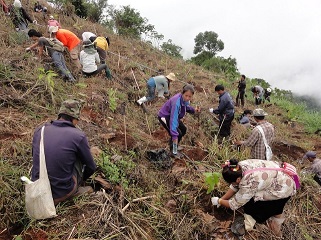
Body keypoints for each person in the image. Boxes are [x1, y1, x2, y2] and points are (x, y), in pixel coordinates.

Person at [31, 99, 96, 205]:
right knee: (79, 157)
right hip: (60, 193)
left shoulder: (40, 130)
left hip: (37, 190)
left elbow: (34, 155)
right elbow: (91, 167)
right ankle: (73, 189)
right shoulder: (78, 136)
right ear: (75, 118)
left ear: (60, 114)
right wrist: (82, 179)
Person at [211, 159, 297, 237]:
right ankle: (277, 213)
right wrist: (222, 199)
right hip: (279, 177)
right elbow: (235, 186)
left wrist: (219, 201)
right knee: (250, 199)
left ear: (237, 179)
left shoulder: (249, 182)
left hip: (283, 188)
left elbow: (233, 205)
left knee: (257, 207)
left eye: (231, 182)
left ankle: (273, 226)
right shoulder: (238, 167)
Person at [158, 84, 200, 155]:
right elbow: (173, 119)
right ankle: (173, 151)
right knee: (177, 134)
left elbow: (185, 107)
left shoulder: (183, 99)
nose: (187, 98)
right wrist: (174, 135)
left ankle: (173, 145)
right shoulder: (176, 103)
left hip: (173, 116)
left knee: (183, 129)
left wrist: (193, 110)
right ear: (182, 93)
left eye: (190, 96)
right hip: (165, 117)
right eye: (186, 95)